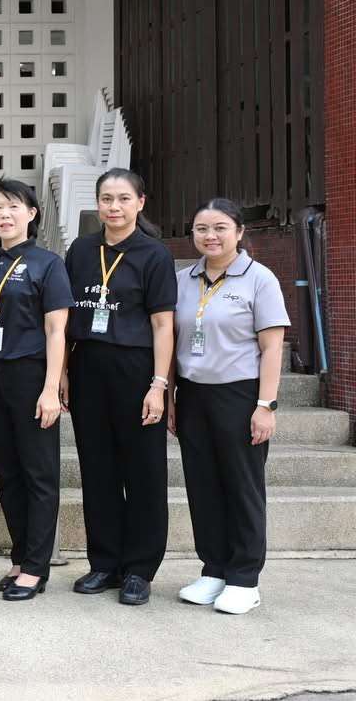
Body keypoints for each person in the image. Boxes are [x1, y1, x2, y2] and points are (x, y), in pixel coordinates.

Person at [61, 168, 176, 606]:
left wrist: (159, 384)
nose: (114, 207)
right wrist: (64, 372)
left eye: (124, 199)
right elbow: (66, 317)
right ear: (97, 203)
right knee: (98, 470)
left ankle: (139, 570)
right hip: (88, 366)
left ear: (140, 203)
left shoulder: (154, 254)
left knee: (144, 472)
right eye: (107, 199)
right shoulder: (81, 249)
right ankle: (105, 563)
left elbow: (163, 325)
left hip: (136, 369)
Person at [170, 198, 289, 615]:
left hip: (240, 395)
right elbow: (171, 340)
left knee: (242, 486)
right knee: (202, 486)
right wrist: (170, 397)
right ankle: (214, 569)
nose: (211, 236)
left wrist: (266, 405)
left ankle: (244, 578)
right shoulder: (184, 280)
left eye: (220, 228)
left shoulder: (260, 279)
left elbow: (272, 348)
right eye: (202, 229)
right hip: (193, 394)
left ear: (239, 232)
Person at [0, 179, 72, 601]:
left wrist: (51, 389)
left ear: (31, 214)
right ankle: (19, 558)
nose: (4, 214)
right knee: (8, 475)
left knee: (39, 474)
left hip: (32, 376)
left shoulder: (48, 264)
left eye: (13, 206)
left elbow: (56, 330)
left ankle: (35, 566)